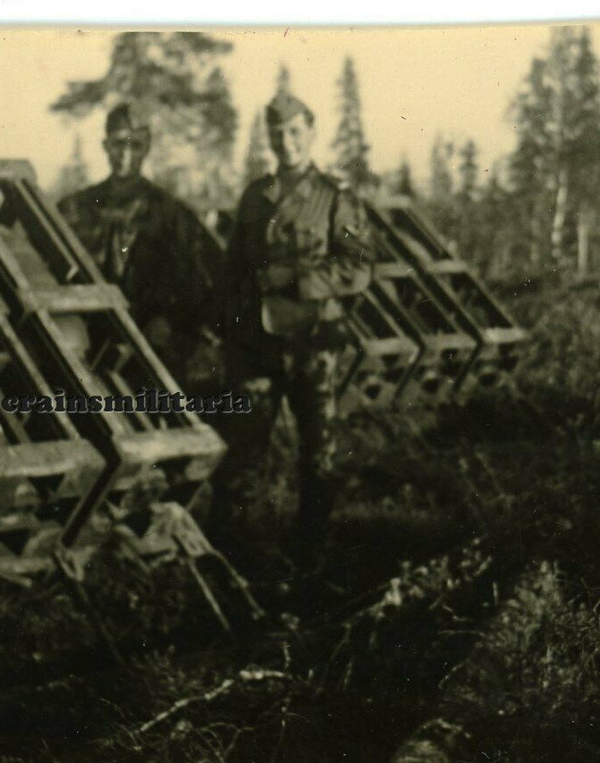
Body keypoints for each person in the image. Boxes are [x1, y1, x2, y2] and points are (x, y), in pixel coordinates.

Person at [210, 90, 374, 572]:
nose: (287, 142)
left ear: (312, 132)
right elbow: (232, 270)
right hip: (258, 347)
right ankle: (234, 561)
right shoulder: (254, 197)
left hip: (314, 345)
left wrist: (298, 281)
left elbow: (359, 268)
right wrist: (230, 325)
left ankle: (311, 559)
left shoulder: (335, 197)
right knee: (242, 454)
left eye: (295, 132)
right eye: (277, 134)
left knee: (319, 456)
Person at [58, 102, 224, 391]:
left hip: (149, 349)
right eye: (118, 143)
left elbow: (211, 277)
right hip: (87, 344)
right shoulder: (76, 209)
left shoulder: (171, 213)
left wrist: (172, 323)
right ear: (105, 145)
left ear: (147, 148)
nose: (125, 154)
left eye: (136, 145)